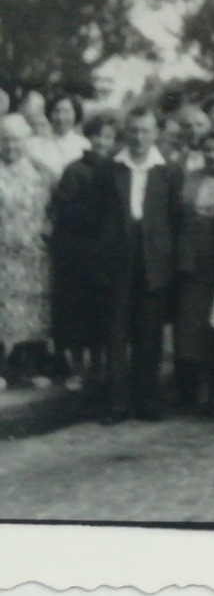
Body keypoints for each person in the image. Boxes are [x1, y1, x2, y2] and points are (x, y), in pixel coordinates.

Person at [101, 106, 175, 421]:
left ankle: (148, 400)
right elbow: (98, 217)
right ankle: (117, 403)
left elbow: (174, 218)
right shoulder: (111, 169)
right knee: (116, 334)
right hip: (119, 258)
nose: (139, 137)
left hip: (153, 261)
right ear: (125, 133)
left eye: (145, 131)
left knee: (149, 335)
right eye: (133, 130)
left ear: (155, 134)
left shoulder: (168, 170)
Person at [49, 112, 119, 394]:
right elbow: (66, 209)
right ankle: (78, 368)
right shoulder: (75, 170)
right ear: (88, 138)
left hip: (108, 252)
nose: (103, 142)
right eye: (98, 136)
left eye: (108, 137)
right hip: (79, 252)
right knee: (78, 314)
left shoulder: (118, 168)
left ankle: (98, 365)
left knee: (104, 312)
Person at [172, 127, 214, 411]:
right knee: (193, 325)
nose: (212, 156)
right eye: (208, 150)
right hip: (193, 261)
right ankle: (197, 387)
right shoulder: (191, 179)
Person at [0, 114, 55, 392]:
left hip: (33, 254)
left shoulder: (41, 172)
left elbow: (54, 209)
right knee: (3, 313)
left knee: (31, 314)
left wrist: (47, 230)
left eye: (16, 140)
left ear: (26, 142)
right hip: (2, 255)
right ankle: (3, 370)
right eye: (5, 139)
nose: (11, 146)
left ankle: (30, 368)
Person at [27, 93, 89, 180]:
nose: (61, 117)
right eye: (56, 111)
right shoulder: (35, 144)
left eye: (66, 112)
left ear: (75, 114)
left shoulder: (84, 145)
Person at [168, 104, 211, 176]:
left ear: (208, 127)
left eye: (199, 125)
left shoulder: (213, 155)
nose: (194, 130)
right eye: (188, 126)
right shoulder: (174, 156)